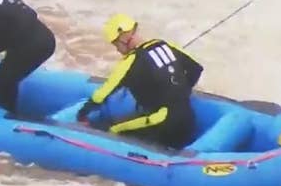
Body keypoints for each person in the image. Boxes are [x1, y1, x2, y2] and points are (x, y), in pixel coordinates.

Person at [76, 13, 203, 149]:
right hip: (188, 118)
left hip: (163, 122)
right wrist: (182, 91)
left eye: (116, 45)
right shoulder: (165, 45)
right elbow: (197, 69)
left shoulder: (130, 62)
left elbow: (102, 94)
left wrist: (82, 113)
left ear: (123, 38)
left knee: (114, 129)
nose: (118, 50)